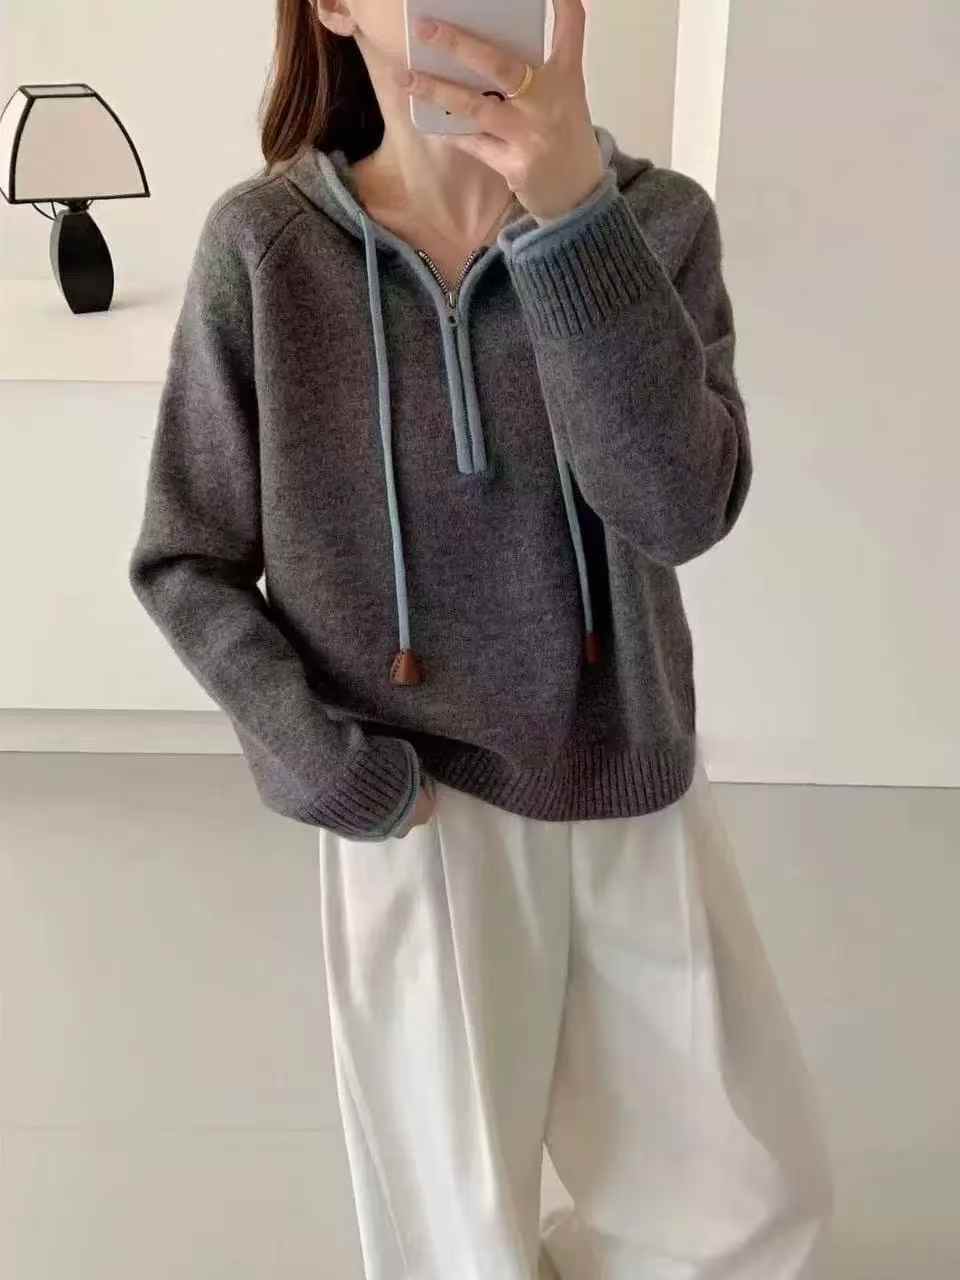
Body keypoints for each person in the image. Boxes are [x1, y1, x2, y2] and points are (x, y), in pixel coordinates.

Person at [128, 1, 836, 1276]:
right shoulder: (265, 250)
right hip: (416, 804)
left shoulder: (654, 222)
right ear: (334, 7)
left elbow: (680, 508)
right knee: (458, 1241)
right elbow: (187, 557)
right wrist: (325, 763)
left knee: (747, 1199)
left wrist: (572, 221)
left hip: (627, 773)